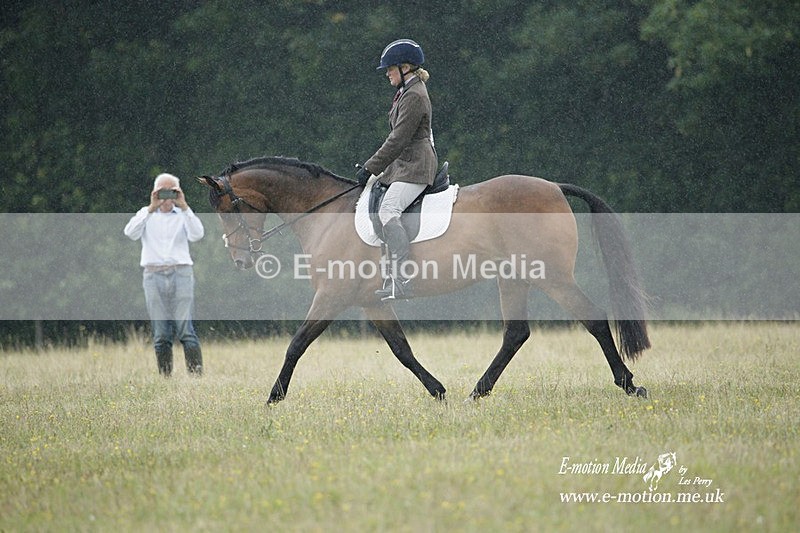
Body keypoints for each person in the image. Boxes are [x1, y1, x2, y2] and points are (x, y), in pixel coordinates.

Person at [356, 38, 438, 301]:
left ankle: (403, 278)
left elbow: (398, 139)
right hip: (405, 164)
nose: (388, 73)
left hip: (415, 165)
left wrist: (371, 167)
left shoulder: (414, 95)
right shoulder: (407, 91)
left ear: (406, 68)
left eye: (391, 68)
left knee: (387, 210)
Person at [124, 173, 205, 376]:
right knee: (161, 333)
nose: (167, 198)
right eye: (162, 192)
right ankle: (165, 377)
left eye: (171, 192)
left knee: (185, 329)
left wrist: (184, 206)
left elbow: (198, 234)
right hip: (153, 276)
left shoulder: (183, 215)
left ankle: (196, 377)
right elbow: (130, 232)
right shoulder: (145, 214)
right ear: (154, 193)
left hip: (181, 273)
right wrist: (151, 208)